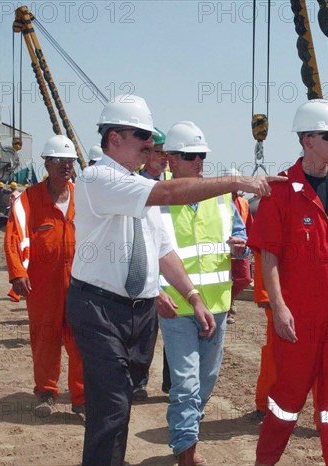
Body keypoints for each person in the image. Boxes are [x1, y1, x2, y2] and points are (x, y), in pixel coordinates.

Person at [66, 94, 284, 466]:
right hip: (99, 306)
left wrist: (193, 295)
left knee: (122, 402)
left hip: (138, 313)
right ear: (115, 137)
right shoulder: (98, 178)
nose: (151, 147)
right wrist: (238, 181)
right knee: (113, 404)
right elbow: (166, 192)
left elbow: (163, 251)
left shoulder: (135, 185)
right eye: (142, 138)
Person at [250, 99, 328, 466]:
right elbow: (268, 255)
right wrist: (279, 307)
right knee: (286, 401)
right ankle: (266, 461)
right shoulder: (280, 189)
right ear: (307, 140)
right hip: (298, 318)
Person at [157, 121, 249, 465]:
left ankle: (187, 432)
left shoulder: (222, 197)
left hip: (217, 306)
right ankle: (186, 452)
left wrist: (240, 247)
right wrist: (154, 290)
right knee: (186, 384)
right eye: (190, 155)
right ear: (171, 160)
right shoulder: (157, 198)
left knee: (206, 381)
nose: (198, 161)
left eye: (202, 155)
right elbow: (145, 249)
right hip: (178, 307)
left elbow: (240, 241)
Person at [4, 134, 84, 418]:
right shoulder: (28, 200)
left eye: (70, 161)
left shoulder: (82, 196)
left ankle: (81, 398)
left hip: (79, 284)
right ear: (47, 164)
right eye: (60, 160)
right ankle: (46, 392)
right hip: (42, 283)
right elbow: (13, 236)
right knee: (45, 337)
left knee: (80, 340)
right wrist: (17, 273)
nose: (66, 166)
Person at [252, 249, 320, 427]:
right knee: (276, 355)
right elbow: (264, 247)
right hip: (283, 298)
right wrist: (265, 294)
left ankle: (326, 418)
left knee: (322, 358)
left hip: (321, 298)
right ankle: (266, 406)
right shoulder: (274, 219)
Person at [133, 128, 167, 402]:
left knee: (175, 332)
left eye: (167, 153)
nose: (164, 158)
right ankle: (137, 381)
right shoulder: (135, 186)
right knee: (144, 333)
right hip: (145, 270)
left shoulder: (172, 186)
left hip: (172, 268)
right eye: (158, 152)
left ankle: (171, 383)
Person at [222, 167, 253, 324]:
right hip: (222, 251)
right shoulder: (218, 200)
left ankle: (229, 300)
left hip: (241, 250)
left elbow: (248, 226)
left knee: (245, 278)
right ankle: (226, 307)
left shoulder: (244, 203)